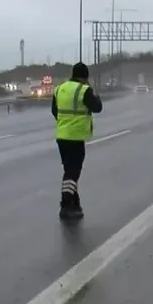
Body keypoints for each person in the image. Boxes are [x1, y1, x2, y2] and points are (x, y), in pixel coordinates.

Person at [51, 62, 103, 219]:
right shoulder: (84, 90)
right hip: (75, 136)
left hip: (61, 136)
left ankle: (74, 202)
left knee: (69, 170)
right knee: (72, 172)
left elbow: (54, 111)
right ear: (85, 76)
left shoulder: (59, 89)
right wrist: (97, 96)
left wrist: (65, 121)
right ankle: (66, 204)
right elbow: (97, 107)